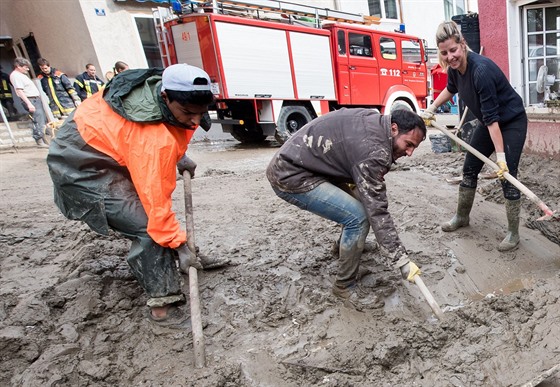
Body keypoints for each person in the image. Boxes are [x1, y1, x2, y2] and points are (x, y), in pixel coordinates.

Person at [47, 64, 229, 325]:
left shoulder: (169, 92)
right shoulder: (151, 139)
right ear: (166, 98)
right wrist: (178, 243)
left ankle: (182, 255)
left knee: (157, 222)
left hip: (109, 148)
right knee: (148, 227)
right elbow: (156, 201)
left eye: (201, 114)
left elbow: (173, 127)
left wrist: (180, 154)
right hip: (80, 165)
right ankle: (163, 309)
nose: (195, 121)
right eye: (189, 113)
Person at [266, 108, 426, 308]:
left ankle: (344, 248)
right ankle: (344, 286)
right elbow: (377, 210)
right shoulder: (374, 151)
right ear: (394, 128)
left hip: (308, 163)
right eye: (408, 144)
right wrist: (400, 259)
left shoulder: (376, 121)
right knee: (358, 218)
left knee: (360, 200)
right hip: (292, 175)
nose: (409, 153)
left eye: (414, 148)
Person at [421, 21, 528, 252]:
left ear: (463, 44)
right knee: (469, 167)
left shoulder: (481, 71)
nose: (450, 56)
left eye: (454, 50)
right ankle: (462, 216)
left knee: (507, 174)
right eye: (444, 53)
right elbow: (451, 88)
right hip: (490, 122)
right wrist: (432, 108)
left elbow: (493, 121)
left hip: (511, 122)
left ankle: (513, 233)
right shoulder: (454, 70)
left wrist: (500, 158)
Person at [9, 57, 49, 147]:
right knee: (37, 119)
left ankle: (43, 139)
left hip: (34, 99)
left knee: (41, 119)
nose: (27, 69)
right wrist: (29, 103)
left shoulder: (21, 75)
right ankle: (39, 140)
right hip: (30, 99)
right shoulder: (16, 75)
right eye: (25, 67)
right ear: (18, 66)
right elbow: (19, 90)